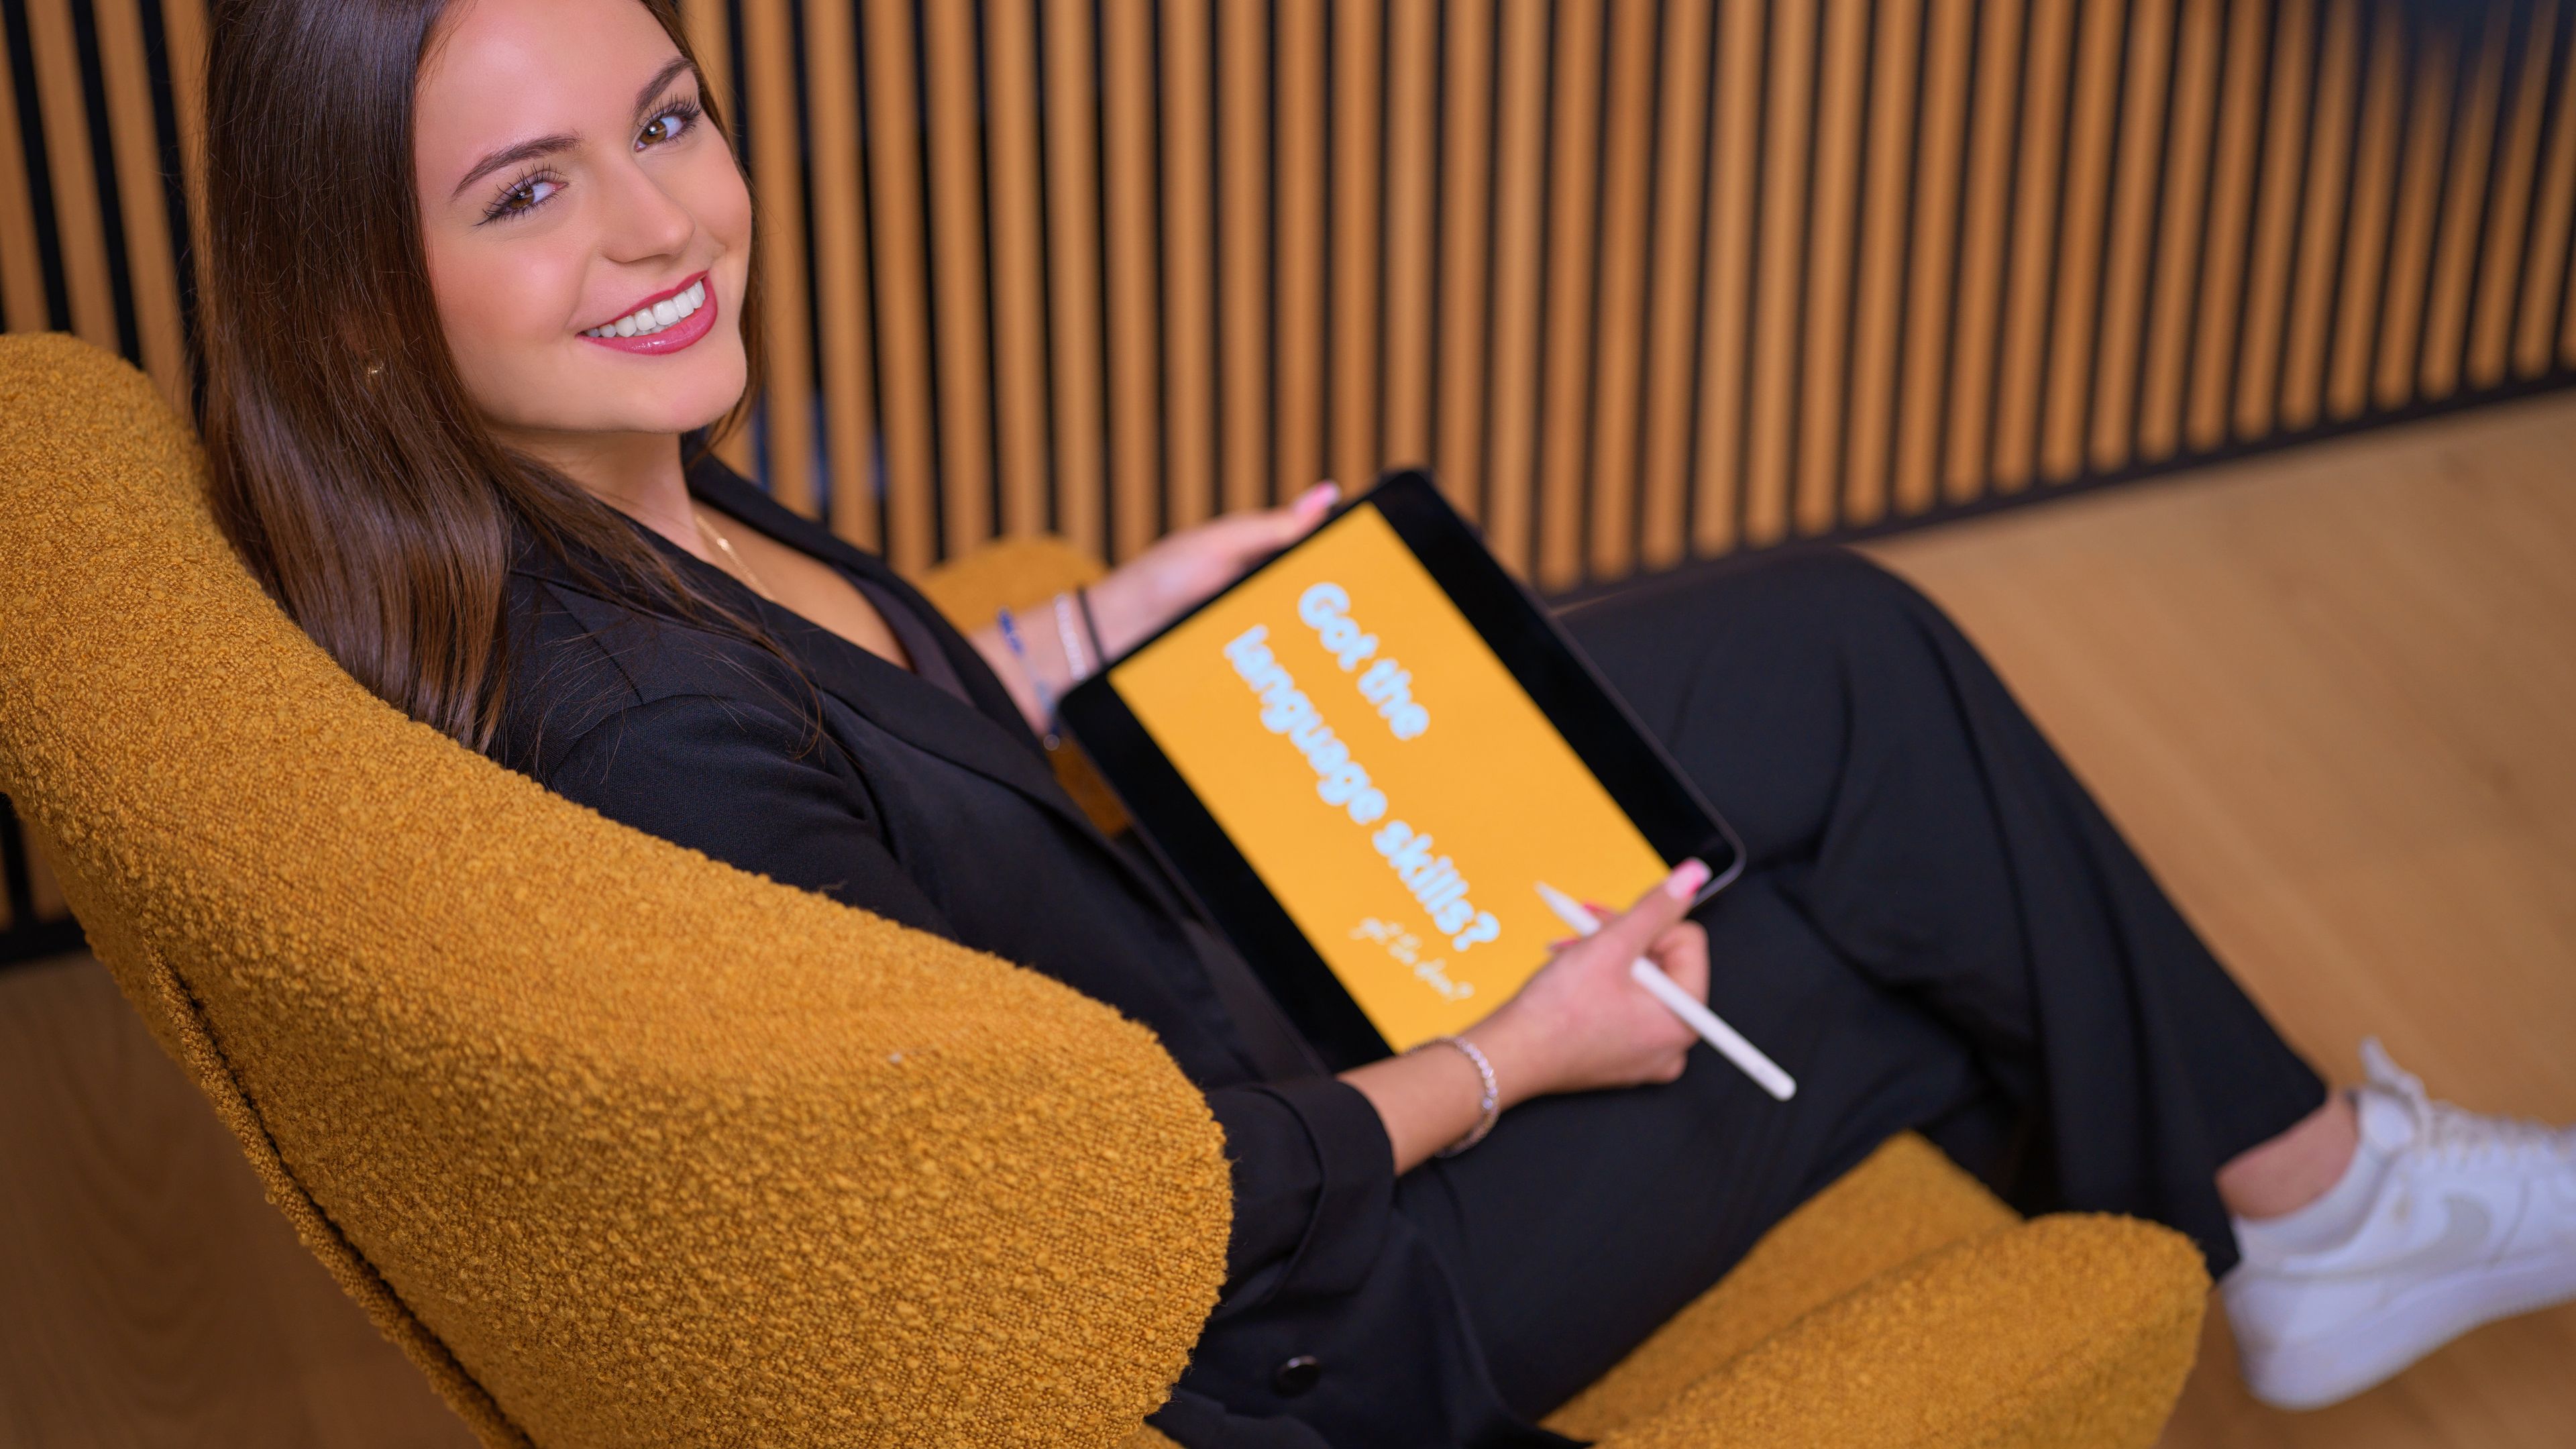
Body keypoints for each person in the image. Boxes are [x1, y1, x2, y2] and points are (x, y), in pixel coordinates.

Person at [195, 0, 2576, 1442]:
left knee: (1837, 654)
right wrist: (1512, 1061)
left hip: (1153, 966)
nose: (662, 224)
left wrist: (1111, 622)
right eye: (529, 190)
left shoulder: (615, 489)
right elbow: (1072, 1220)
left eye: (673, 117)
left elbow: (872, 767)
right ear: (370, 307)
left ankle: (2311, 1204)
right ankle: (2317, 1213)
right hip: (1285, 1302)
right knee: (1891, 951)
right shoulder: (633, 743)